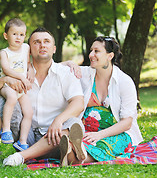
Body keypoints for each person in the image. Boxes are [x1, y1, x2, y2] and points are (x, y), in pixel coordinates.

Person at [0, 27, 85, 169]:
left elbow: (78, 103)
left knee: (74, 123)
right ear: (29, 50)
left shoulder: (65, 73)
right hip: (26, 137)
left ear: (54, 49)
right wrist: (5, 80)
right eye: (37, 42)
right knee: (3, 102)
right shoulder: (18, 73)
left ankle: (22, 157)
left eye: (46, 42)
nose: (42, 45)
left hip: (56, 136)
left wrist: (58, 120)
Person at [59, 36, 143, 166]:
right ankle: (74, 150)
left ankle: (72, 154)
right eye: (91, 50)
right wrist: (70, 63)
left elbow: (127, 123)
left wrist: (99, 135)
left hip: (115, 134)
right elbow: (56, 68)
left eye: (96, 51)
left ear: (110, 56)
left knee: (102, 146)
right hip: (85, 132)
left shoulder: (124, 81)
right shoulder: (85, 73)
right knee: (70, 139)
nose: (91, 54)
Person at [0, 18, 34, 151]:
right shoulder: (4, 52)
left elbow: (28, 63)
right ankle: (6, 130)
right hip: (7, 85)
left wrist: (30, 71)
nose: (18, 37)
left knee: (29, 112)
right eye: (14, 34)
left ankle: (22, 141)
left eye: (22, 34)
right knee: (12, 98)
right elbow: (6, 70)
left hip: (21, 87)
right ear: (6, 36)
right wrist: (21, 77)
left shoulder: (26, 48)